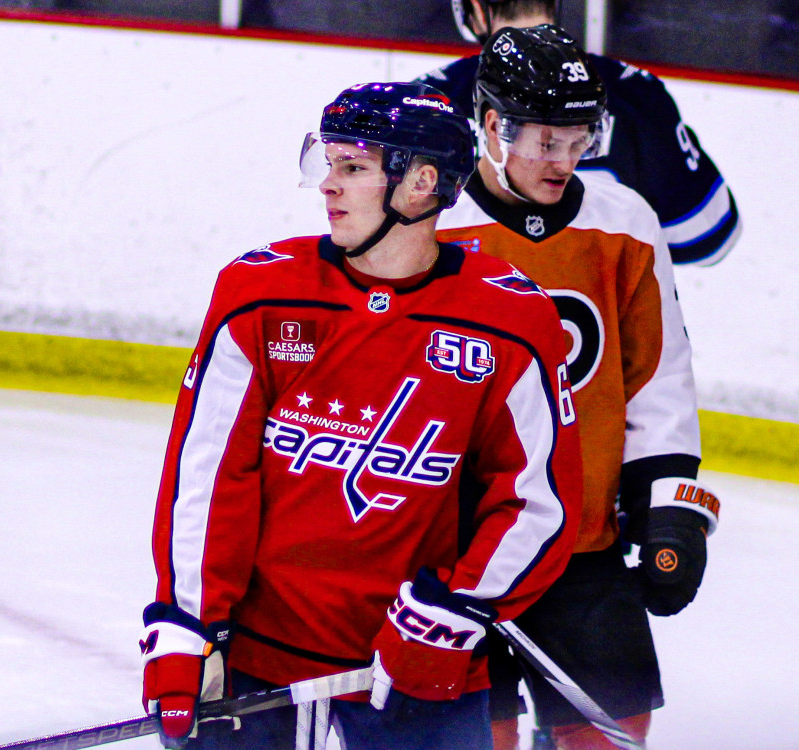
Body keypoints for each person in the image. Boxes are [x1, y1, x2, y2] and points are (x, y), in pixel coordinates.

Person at [138, 80, 584, 750]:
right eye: (329, 163)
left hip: (418, 671)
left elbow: (536, 501)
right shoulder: (259, 295)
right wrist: (186, 623)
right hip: (258, 670)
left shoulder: (511, 322)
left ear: (420, 183)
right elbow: (208, 471)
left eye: (354, 168)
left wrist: (458, 611)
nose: (328, 186)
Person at [434, 26, 722, 750]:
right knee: (474, 737)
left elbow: (656, 375)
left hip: (583, 543)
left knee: (615, 733)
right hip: (455, 551)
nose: (565, 160)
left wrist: (669, 506)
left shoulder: (623, 224)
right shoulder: (433, 225)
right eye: (545, 141)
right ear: (493, 125)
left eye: (578, 140)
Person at [419, 0, 741, 266]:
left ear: (474, 7)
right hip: (599, 334)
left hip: (465, 335)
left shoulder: (428, 98)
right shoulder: (638, 95)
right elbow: (708, 238)